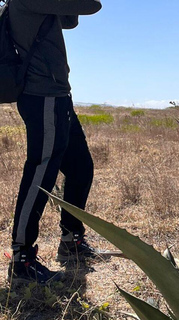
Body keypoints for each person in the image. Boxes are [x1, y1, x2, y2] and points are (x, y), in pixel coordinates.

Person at [7, 0, 102, 285]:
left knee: (81, 167)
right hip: (42, 96)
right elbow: (90, 6)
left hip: (58, 96)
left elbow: (70, 20)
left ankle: (71, 240)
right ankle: (22, 258)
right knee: (41, 172)